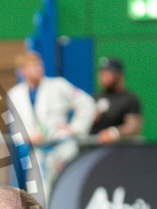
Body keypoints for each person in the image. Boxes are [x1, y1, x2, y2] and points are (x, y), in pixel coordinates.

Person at [6, 50, 94, 184]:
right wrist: (27, 135)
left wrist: (75, 128)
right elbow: (14, 126)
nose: (37, 69)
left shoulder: (58, 85)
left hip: (62, 146)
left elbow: (86, 103)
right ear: (22, 70)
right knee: (40, 196)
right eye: (32, 66)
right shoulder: (15, 94)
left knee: (65, 189)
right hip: (38, 151)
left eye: (38, 65)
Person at [90, 56, 142, 144]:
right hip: (91, 150)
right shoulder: (94, 97)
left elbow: (133, 127)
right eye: (102, 72)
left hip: (118, 151)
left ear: (119, 75)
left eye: (108, 72)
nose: (103, 76)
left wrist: (114, 133)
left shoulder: (129, 99)